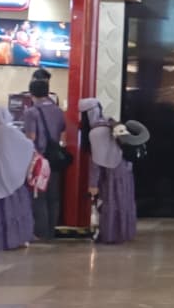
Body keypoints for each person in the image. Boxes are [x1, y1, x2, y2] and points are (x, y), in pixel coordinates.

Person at [79, 99, 137, 244]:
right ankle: (124, 232)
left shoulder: (96, 132)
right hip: (124, 167)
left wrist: (93, 184)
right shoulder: (109, 121)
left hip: (112, 171)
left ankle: (111, 235)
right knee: (123, 201)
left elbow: (97, 161)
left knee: (111, 203)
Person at [0, 106, 36, 251]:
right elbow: (28, 146)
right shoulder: (12, 133)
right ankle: (17, 240)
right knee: (14, 211)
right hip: (11, 179)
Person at [22, 78, 66, 239]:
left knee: (38, 195)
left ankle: (41, 233)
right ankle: (51, 232)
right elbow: (63, 134)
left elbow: (31, 137)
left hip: (38, 159)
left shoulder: (31, 112)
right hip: (55, 158)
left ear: (31, 93)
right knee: (53, 196)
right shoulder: (58, 111)